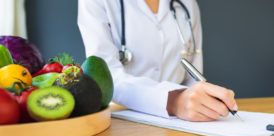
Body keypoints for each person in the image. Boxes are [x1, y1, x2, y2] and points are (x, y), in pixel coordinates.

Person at [78, 0, 238, 122]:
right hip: (123, 122)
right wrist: (173, 100)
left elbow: (193, 77)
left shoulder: (187, 4)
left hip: (180, 124)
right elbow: (105, 77)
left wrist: (200, 100)